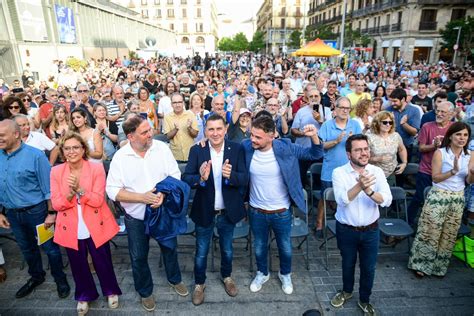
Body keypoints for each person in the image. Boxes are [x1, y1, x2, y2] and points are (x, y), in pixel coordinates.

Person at [106, 115, 188, 312]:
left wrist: (162, 194)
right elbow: (112, 190)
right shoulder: (120, 157)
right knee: (138, 256)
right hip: (136, 218)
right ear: (131, 136)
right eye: (144, 132)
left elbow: (175, 174)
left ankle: (174, 279)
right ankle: (145, 292)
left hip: (162, 212)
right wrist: (141, 198)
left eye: (150, 129)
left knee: (170, 248)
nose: (150, 134)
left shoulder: (161, 148)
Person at [243, 115, 323, 295]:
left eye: (258, 137)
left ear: (272, 135)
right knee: (259, 246)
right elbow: (227, 150)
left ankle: (285, 273)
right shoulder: (246, 147)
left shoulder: (286, 147)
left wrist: (314, 137)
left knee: (285, 247)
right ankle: (262, 273)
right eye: (252, 135)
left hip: (281, 211)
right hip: (256, 211)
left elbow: (315, 154)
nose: (252, 140)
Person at [50, 132, 121, 315]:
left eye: (76, 147)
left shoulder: (96, 169)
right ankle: (84, 294)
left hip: (96, 221)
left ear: (83, 149)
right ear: (62, 151)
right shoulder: (56, 172)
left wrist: (80, 190)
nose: (71, 151)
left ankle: (111, 290)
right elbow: (57, 204)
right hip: (71, 224)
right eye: (67, 148)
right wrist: (70, 194)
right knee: (77, 262)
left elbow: (98, 200)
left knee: (102, 259)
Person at [0, 119, 70, 299]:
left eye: (2, 135)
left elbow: (49, 189)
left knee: (51, 249)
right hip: (13, 214)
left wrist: (52, 213)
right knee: (27, 249)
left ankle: (60, 280)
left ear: (16, 134)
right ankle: (36, 277)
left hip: (37, 213)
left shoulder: (36, 156)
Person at [182, 114, 248, 305]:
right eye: (211, 129)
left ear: (226, 129)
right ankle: (199, 283)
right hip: (205, 210)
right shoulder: (197, 150)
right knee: (201, 250)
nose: (215, 133)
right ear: (205, 131)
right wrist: (200, 178)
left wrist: (232, 175)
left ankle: (226, 277)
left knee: (227, 249)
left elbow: (244, 178)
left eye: (219, 128)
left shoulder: (236, 149)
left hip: (227, 211)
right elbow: (187, 178)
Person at [330, 134, 392, 316]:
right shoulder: (339, 173)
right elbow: (342, 200)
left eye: (366, 149)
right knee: (347, 263)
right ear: (349, 154)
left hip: (371, 230)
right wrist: (360, 186)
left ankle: (365, 300)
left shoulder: (377, 172)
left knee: (369, 267)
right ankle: (346, 291)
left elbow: (386, 200)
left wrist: (369, 191)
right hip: (346, 230)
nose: (363, 153)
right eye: (358, 150)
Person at [408, 122, 474, 278]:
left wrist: (472, 173)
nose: (462, 138)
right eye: (458, 134)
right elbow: (435, 178)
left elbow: (469, 181)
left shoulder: (470, 155)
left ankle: (439, 266)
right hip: (439, 195)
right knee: (430, 232)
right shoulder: (441, 153)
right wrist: (453, 171)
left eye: (465, 135)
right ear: (450, 136)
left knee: (449, 234)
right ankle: (421, 265)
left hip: (457, 198)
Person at [314, 97, 363, 236]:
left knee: (350, 197)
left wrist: (354, 140)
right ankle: (319, 224)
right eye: (341, 107)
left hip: (351, 170)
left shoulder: (355, 125)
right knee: (325, 198)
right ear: (335, 108)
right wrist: (336, 141)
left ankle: (347, 223)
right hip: (331, 169)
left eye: (347, 108)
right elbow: (320, 146)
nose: (344, 110)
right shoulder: (327, 125)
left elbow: (362, 145)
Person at [407, 101, 454, 226]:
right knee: (420, 198)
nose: (438, 113)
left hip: (446, 173)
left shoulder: (455, 128)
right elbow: (421, 148)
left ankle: (433, 224)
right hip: (426, 170)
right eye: (437, 110)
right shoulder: (427, 126)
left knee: (440, 200)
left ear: (451, 114)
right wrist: (434, 146)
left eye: (443, 112)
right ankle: (409, 221)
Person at [367, 111, 407, 182]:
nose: (388, 124)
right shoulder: (369, 137)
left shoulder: (395, 136)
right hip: (373, 174)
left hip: (391, 173)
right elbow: (362, 157)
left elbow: (401, 149)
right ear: (377, 123)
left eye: (390, 122)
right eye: (385, 122)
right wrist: (376, 159)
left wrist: (404, 163)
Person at [386, 88, 421, 162]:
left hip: (407, 146)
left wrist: (404, 124)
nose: (392, 104)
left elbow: (414, 132)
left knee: (404, 170)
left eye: (395, 101)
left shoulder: (414, 111)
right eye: (391, 101)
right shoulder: (388, 110)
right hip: (390, 147)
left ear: (403, 99)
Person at [163, 93, 199, 162]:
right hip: (175, 156)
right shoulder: (167, 117)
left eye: (180, 102)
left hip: (190, 154)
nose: (177, 105)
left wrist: (189, 128)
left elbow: (195, 135)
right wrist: (175, 129)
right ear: (171, 104)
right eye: (175, 102)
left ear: (183, 103)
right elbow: (167, 137)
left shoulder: (190, 115)